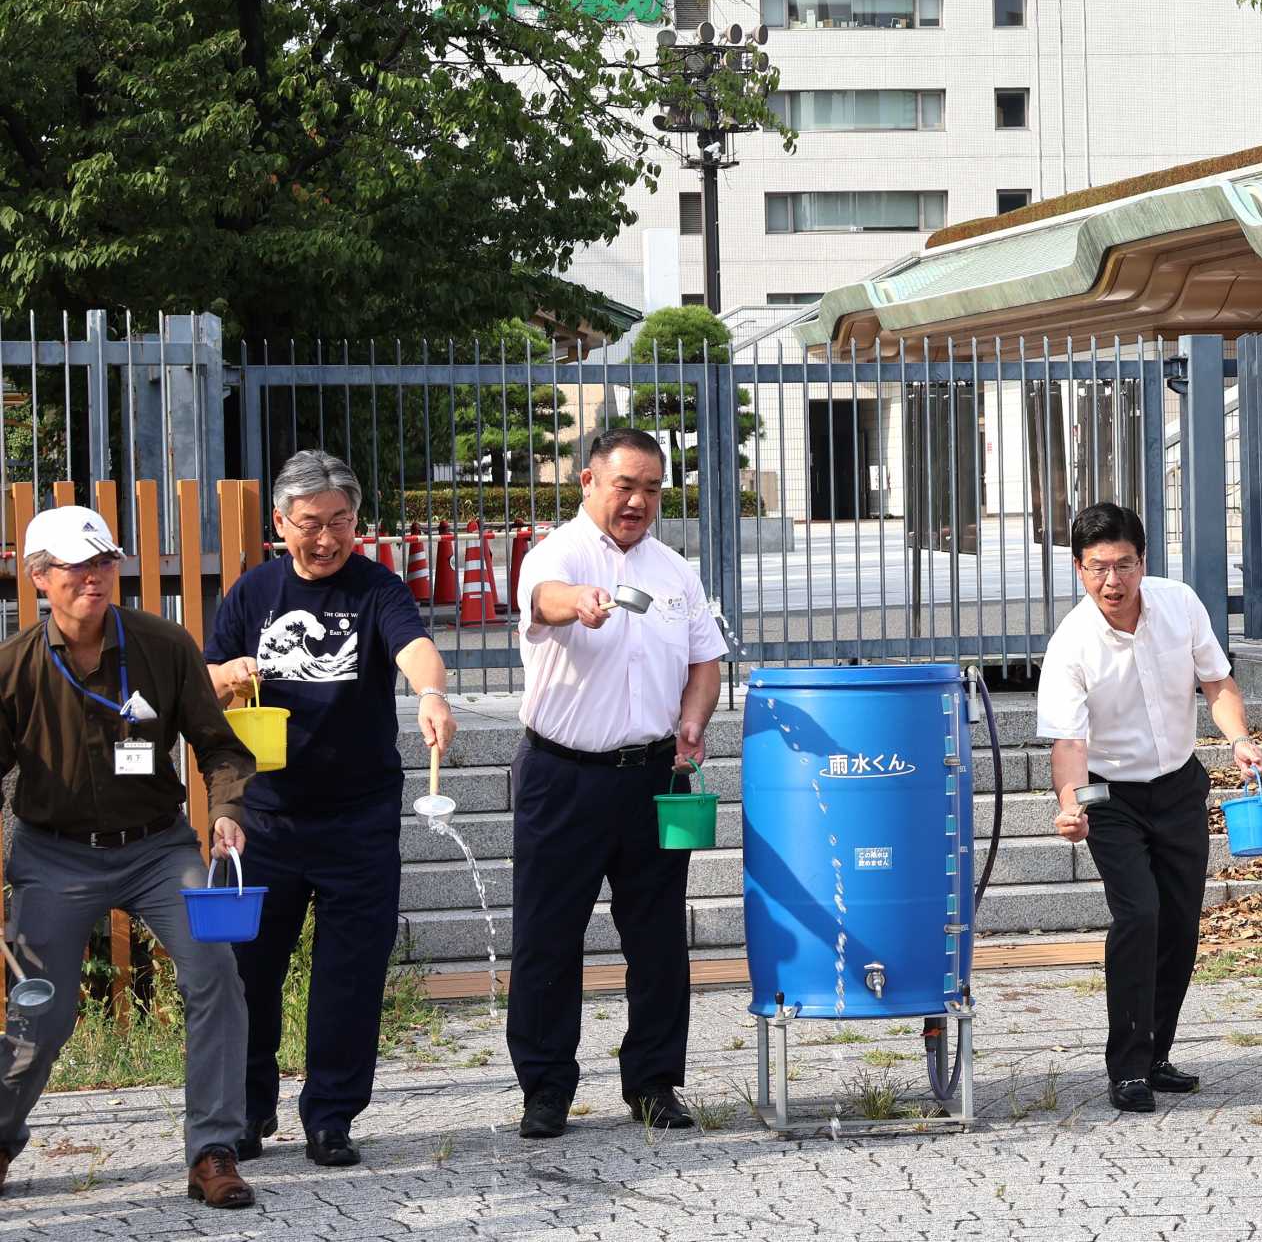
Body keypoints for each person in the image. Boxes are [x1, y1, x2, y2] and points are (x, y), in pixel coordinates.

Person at [0, 506, 258, 1206]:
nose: (94, 575)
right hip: (52, 856)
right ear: (40, 577)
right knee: (40, 1011)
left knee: (215, 975)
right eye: (77, 565)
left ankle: (213, 1149)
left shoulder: (164, 645)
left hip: (156, 846)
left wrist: (227, 814)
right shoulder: (14, 667)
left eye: (104, 561)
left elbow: (222, 746)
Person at [205, 450, 456, 1166]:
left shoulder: (377, 586)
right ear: (280, 523)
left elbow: (415, 649)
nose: (326, 538)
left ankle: (332, 1115)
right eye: (310, 524)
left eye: (340, 521)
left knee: (350, 972)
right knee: (247, 970)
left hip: (359, 818)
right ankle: (245, 1113)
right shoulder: (254, 593)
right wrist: (227, 675)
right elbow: (208, 676)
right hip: (264, 821)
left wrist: (432, 695)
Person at [508, 428, 726, 1138]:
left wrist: (692, 723)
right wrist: (581, 603)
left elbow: (704, 662)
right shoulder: (556, 552)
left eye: (653, 489)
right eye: (625, 484)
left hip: (653, 774)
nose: (638, 500)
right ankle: (545, 1089)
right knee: (548, 936)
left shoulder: (674, 572)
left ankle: (655, 1082)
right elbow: (543, 599)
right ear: (588, 482)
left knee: (658, 936)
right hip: (562, 774)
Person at [1036, 502, 1262, 1114]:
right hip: (1110, 796)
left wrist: (1239, 739)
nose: (1114, 581)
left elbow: (1216, 684)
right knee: (1138, 916)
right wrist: (1070, 804)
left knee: (1180, 921)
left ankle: (1157, 1052)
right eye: (1098, 568)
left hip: (1179, 785)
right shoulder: (1071, 645)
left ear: (1143, 561)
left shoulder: (1180, 604)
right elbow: (1070, 743)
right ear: (1080, 570)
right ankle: (1128, 1067)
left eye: (1125, 565)